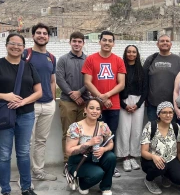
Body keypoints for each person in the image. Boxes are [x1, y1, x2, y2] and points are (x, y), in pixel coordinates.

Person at [0, 34, 42, 195]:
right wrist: (5, 96)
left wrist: (23, 101)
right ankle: (5, 192)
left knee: (23, 152)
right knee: (4, 154)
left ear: (24, 47)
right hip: (2, 116)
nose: (15, 47)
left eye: (19, 44)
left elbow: (38, 92)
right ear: (7, 45)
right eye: (12, 44)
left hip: (26, 114)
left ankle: (26, 188)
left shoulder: (29, 67)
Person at [82, 30, 126, 177]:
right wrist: (101, 99)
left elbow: (121, 84)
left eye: (110, 40)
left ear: (113, 43)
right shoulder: (91, 59)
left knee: (110, 136)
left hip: (113, 106)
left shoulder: (118, 60)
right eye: (104, 40)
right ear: (99, 41)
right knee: (95, 135)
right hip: (96, 107)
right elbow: (87, 82)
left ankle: (110, 165)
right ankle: (95, 163)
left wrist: (107, 96)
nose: (107, 43)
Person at [23, 23, 57, 181]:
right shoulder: (25, 54)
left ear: (48, 37)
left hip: (48, 105)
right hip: (30, 105)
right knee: (26, 141)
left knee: (41, 140)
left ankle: (38, 171)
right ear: (33, 36)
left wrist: (52, 99)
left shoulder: (51, 58)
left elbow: (52, 81)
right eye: (38, 33)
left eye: (45, 33)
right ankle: (24, 176)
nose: (42, 35)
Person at [65, 98, 116, 195]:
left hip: (95, 157)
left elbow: (111, 143)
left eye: (97, 109)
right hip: (78, 160)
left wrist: (104, 149)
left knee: (111, 157)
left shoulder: (103, 126)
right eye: (91, 108)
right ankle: (83, 183)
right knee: (98, 173)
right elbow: (69, 151)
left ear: (100, 112)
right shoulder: (76, 127)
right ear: (85, 110)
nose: (94, 111)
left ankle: (105, 187)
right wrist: (89, 143)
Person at [56, 31, 89, 174]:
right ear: (70, 42)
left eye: (79, 41)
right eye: (74, 41)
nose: (77, 44)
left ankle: (80, 161)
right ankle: (67, 162)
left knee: (83, 134)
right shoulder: (63, 59)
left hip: (84, 102)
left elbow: (90, 81)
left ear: (83, 43)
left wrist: (80, 92)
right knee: (68, 133)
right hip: (67, 102)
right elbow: (60, 79)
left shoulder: (88, 60)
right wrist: (73, 94)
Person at [141, 101, 180, 195]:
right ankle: (149, 180)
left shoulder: (176, 127)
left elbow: (179, 151)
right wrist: (153, 157)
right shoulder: (150, 126)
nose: (168, 115)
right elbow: (143, 152)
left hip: (170, 159)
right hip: (152, 160)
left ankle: (166, 176)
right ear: (158, 114)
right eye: (164, 112)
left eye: (170, 112)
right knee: (161, 167)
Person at [115, 45, 146, 172]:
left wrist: (138, 105)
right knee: (124, 129)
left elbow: (145, 89)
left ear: (137, 54)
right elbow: (116, 87)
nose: (131, 54)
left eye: (134, 52)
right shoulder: (120, 68)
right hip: (123, 101)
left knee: (137, 130)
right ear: (125, 53)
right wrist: (124, 105)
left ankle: (133, 155)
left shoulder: (142, 70)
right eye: (129, 51)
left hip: (138, 102)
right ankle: (125, 157)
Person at [144, 34, 180, 122]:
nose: (165, 43)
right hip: (153, 105)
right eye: (162, 41)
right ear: (157, 44)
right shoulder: (150, 59)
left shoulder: (178, 60)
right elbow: (143, 79)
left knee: (171, 132)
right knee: (154, 131)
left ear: (171, 44)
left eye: (167, 41)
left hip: (173, 105)